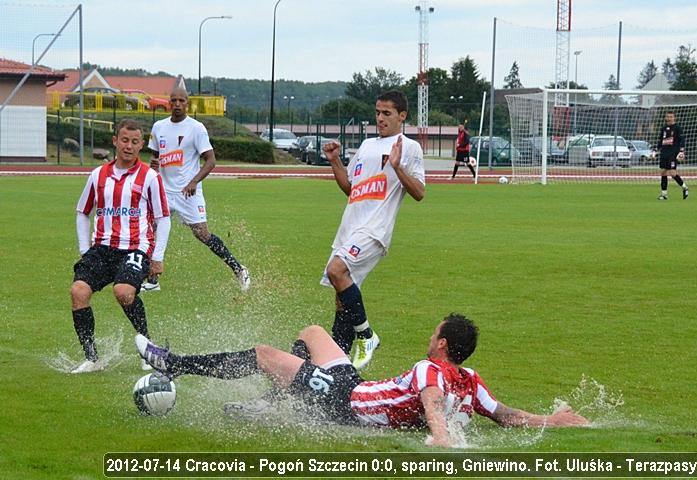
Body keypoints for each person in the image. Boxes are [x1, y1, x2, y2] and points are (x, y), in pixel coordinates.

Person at [135, 313, 589, 447]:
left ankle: (172, 364)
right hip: (355, 384)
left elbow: (431, 403)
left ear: (444, 346)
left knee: (262, 355)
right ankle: (274, 399)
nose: (428, 337)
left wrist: (441, 439)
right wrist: (553, 419)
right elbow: (504, 416)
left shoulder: (432, 371)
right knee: (312, 332)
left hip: (343, 400)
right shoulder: (469, 379)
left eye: (434, 334)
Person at [320, 90, 425, 370]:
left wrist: (397, 166)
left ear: (402, 116)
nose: (380, 118)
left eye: (387, 113)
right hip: (350, 227)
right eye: (378, 112)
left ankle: (366, 335)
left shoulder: (408, 147)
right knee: (341, 302)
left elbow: (419, 192)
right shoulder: (366, 145)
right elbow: (351, 189)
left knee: (336, 271)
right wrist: (335, 162)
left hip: (375, 230)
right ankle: (337, 369)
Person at [70, 119, 171, 374]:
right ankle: (92, 358)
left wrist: (157, 257)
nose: (129, 146)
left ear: (141, 146)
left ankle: (148, 348)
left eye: (135, 142)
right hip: (102, 248)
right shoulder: (98, 175)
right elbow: (83, 212)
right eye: (124, 140)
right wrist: (85, 250)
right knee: (78, 292)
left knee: (124, 291)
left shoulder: (150, 177)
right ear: (115, 141)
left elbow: (163, 218)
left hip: (136, 247)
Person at [141, 87, 250, 292]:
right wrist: (153, 168)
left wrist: (193, 182)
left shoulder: (196, 128)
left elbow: (211, 160)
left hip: (188, 192)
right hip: (164, 191)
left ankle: (238, 269)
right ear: (169, 102)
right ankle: (151, 280)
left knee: (202, 234)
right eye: (173, 100)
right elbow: (155, 156)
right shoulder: (158, 127)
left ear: (187, 103)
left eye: (181, 100)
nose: (177, 104)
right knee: (150, 231)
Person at [656, 111, 689, 200]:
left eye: (671, 117)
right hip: (664, 153)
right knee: (663, 172)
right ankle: (664, 194)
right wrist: (655, 150)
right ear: (665, 118)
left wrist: (681, 151)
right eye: (668, 117)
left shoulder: (677, 128)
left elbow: (682, 140)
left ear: (674, 118)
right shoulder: (663, 128)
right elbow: (660, 141)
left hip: (673, 153)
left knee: (672, 173)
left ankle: (685, 187)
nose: (669, 118)